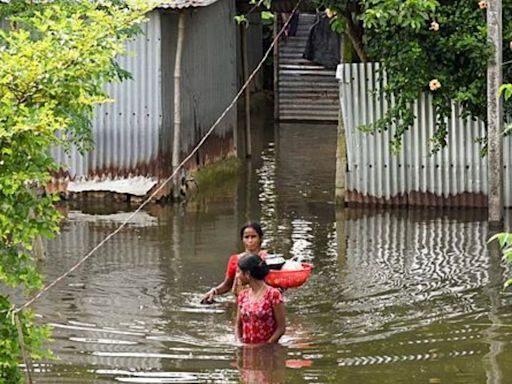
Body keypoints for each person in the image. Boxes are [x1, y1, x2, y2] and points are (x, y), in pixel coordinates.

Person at [202, 222, 267, 303]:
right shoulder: (235, 259)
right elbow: (227, 285)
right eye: (246, 237)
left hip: (262, 303)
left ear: (260, 238)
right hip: (241, 303)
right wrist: (214, 291)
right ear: (242, 240)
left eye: (253, 237)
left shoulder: (268, 259)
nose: (250, 240)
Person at [235, 254, 286, 344]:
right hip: (247, 350)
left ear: (247, 274)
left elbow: (281, 328)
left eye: (239, 272)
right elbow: (238, 325)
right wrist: (239, 343)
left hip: (268, 351)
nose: (237, 276)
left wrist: (266, 346)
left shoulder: (273, 294)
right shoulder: (242, 295)